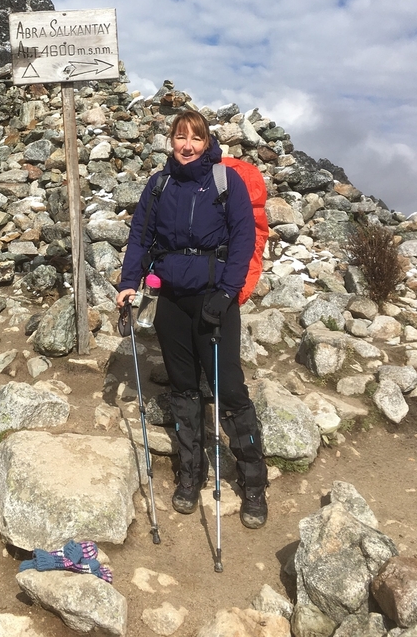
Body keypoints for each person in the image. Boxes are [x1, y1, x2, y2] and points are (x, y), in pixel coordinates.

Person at [115, 109, 268, 529]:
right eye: (180, 136)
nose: (186, 145)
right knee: (184, 389)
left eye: (195, 138)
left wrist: (226, 292)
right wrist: (129, 283)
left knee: (230, 390)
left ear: (207, 143)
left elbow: (243, 238)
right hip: (172, 302)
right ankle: (190, 473)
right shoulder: (159, 184)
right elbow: (140, 236)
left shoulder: (225, 182)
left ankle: (254, 481)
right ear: (171, 140)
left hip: (214, 300)